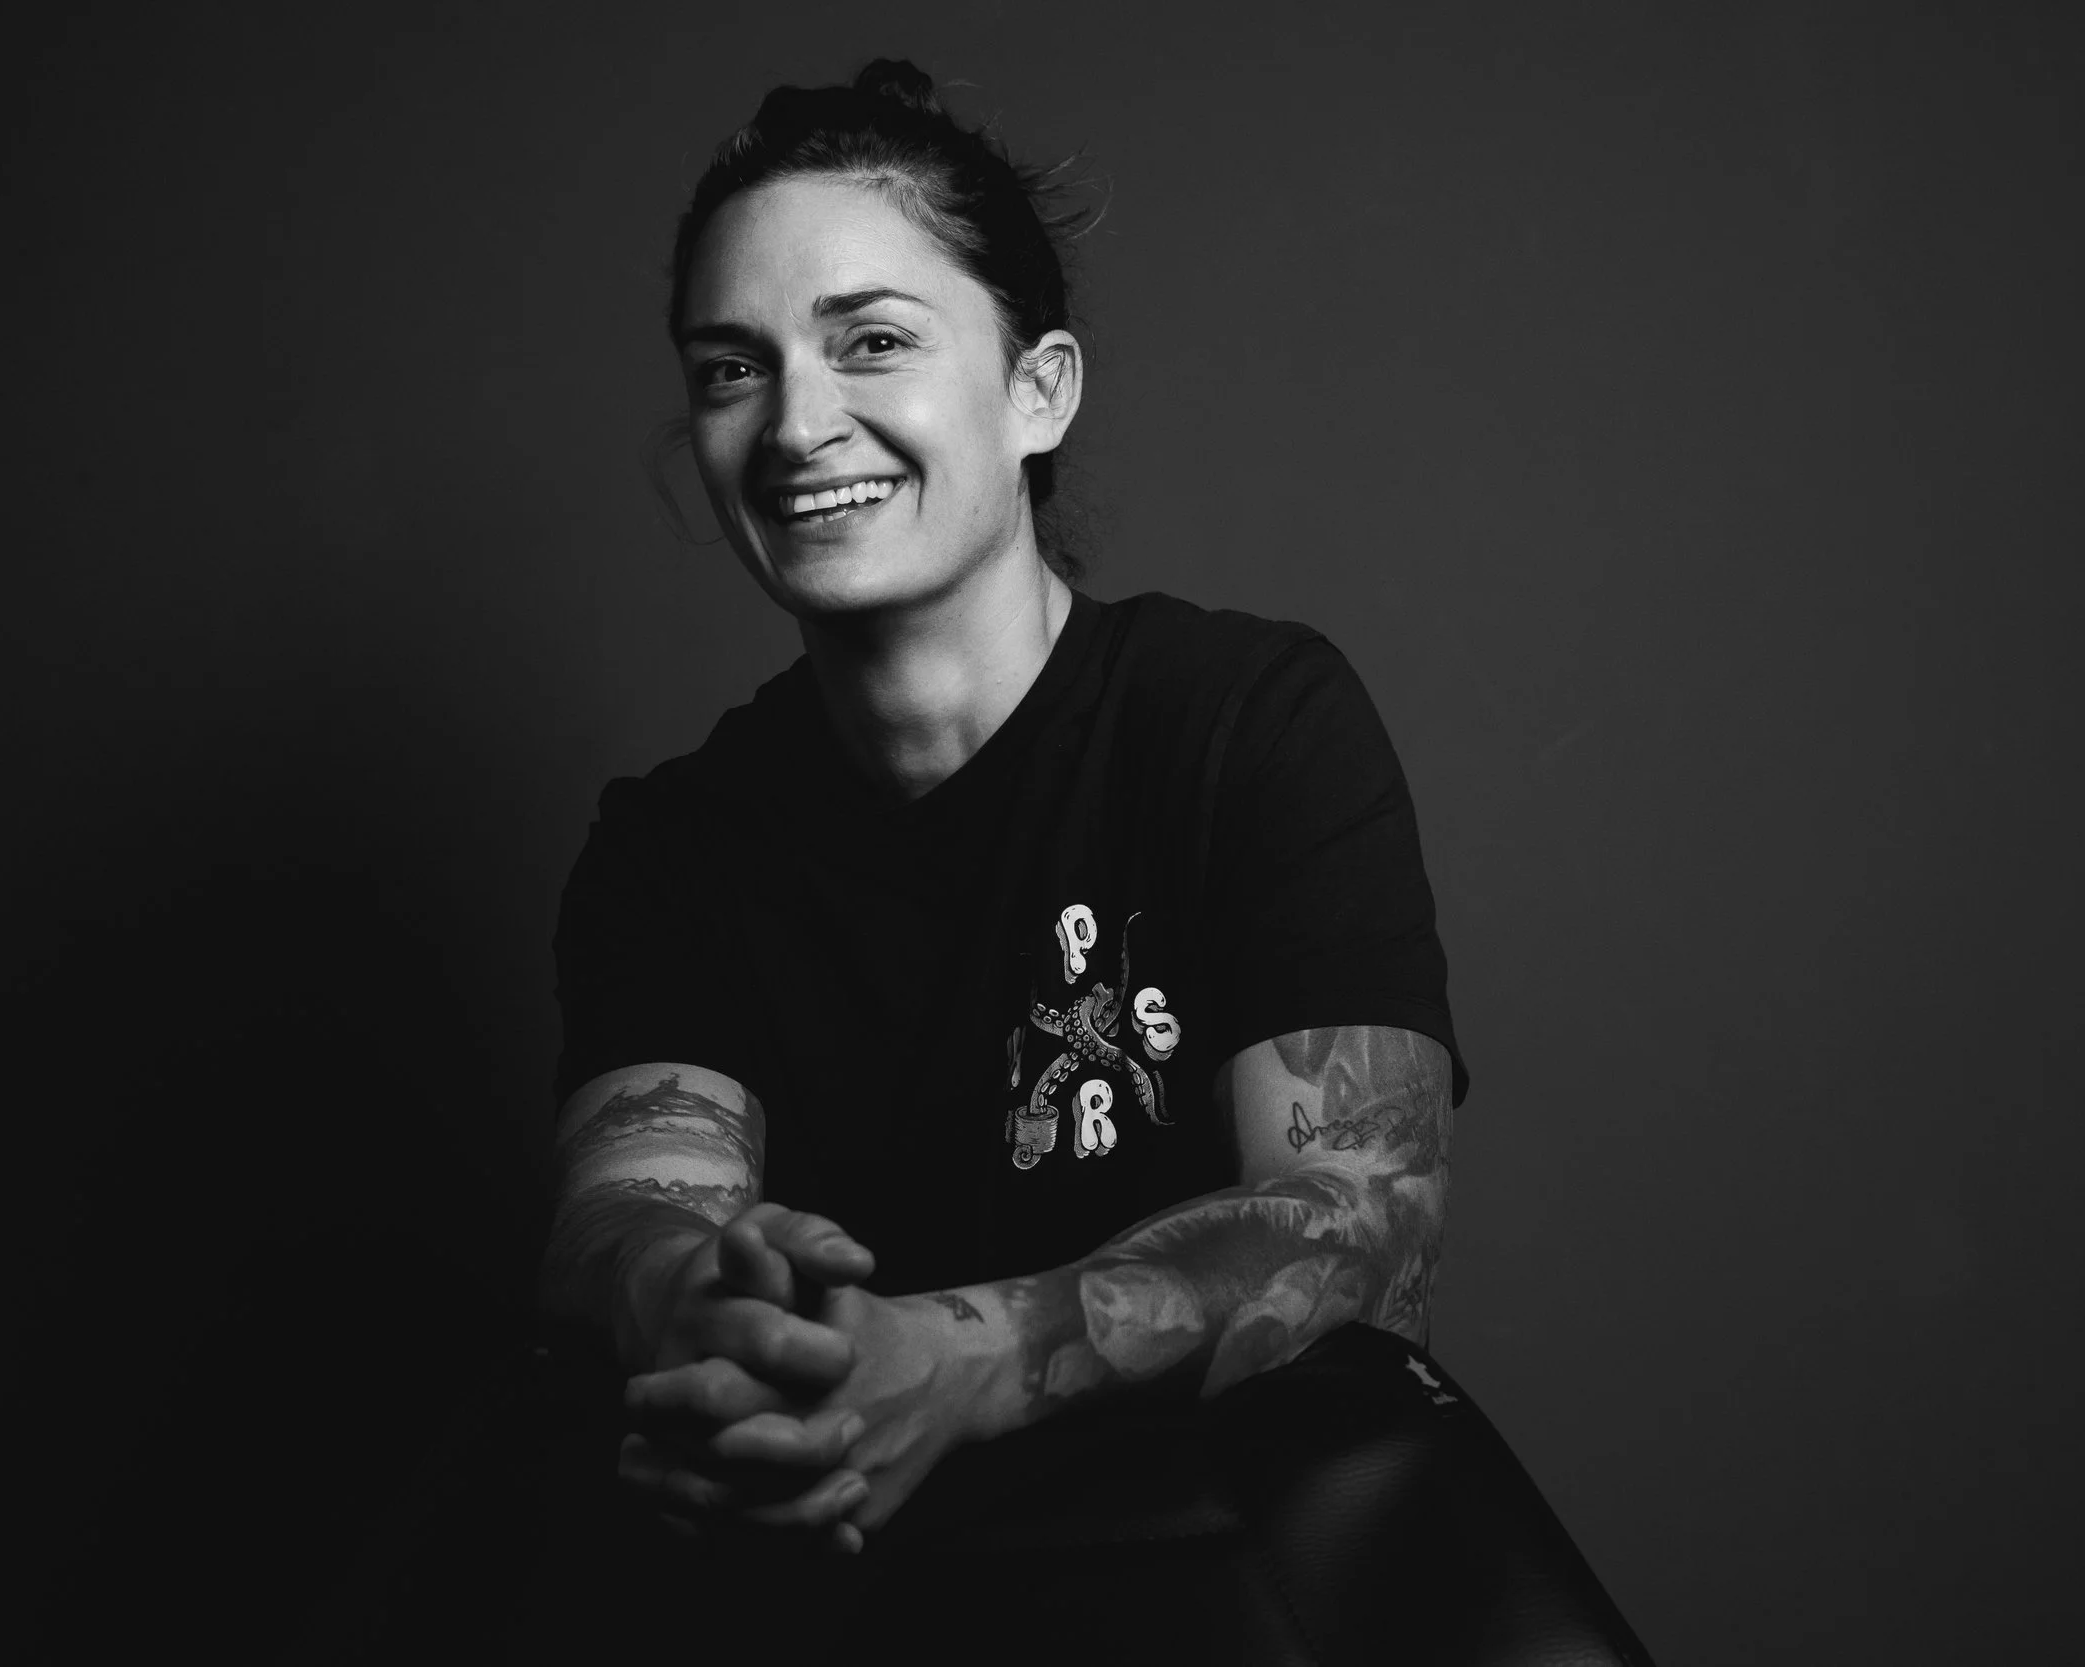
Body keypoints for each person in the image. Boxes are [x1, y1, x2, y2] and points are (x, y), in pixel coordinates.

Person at [531, 56, 1468, 1650]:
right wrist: (713, 1303)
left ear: (1040, 388)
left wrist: (963, 1358)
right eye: (729, 369)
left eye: (874, 342)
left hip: (1239, 1577)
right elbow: (626, 1215)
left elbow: (1359, 1215)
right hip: (836, 1586)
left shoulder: (1244, 718)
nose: (797, 424)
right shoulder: (671, 845)